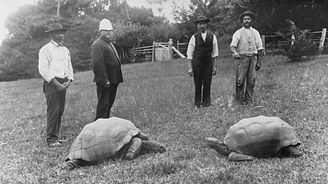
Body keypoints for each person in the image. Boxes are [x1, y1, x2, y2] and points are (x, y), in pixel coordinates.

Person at [38, 23, 74, 147]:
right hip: (52, 83)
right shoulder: (45, 49)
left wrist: (69, 80)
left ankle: (56, 136)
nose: (62, 35)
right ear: (51, 34)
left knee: (60, 110)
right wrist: (56, 83)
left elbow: (69, 66)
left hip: (63, 82)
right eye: (59, 32)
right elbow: (43, 69)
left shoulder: (65, 50)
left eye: (62, 32)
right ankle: (51, 139)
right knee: (53, 111)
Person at [91, 18, 123, 120]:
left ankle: (105, 125)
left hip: (113, 79)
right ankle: (98, 127)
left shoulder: (109, 43)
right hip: (106, 81)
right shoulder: (97, 44)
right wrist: (104, 80)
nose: (109, 33)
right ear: (101, 32)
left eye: (110, 31)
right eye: (106, 31)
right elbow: (97, 64)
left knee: (108, 104)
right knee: (103, 105)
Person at [230, 11, 264, 105]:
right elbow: (233, 46)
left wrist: (259, 62)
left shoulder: (255, 32)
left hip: (253, 58)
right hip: (242, 58)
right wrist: (235, 52)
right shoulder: (238, 32)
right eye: (245, 19)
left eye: (248, 19)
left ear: (251, 20)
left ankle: (249, 101)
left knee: (251, 80)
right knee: (240, 81)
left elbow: (260, 48)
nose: (246, 21)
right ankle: (239, 101)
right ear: (242, 21)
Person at [187, 15, 219, 108]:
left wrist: (215, 66)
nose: (202, 26)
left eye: (204, 24)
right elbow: (189, 53)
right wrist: (190, 68)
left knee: (207, 83)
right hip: (197, 63)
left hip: (208, 63)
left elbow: (215, 53)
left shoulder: (212, 37)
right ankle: (197, 103)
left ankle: (206, 103)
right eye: (200, 24)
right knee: (198, 83)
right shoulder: (194, 37)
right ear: (197, 26)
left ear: (206, 25)